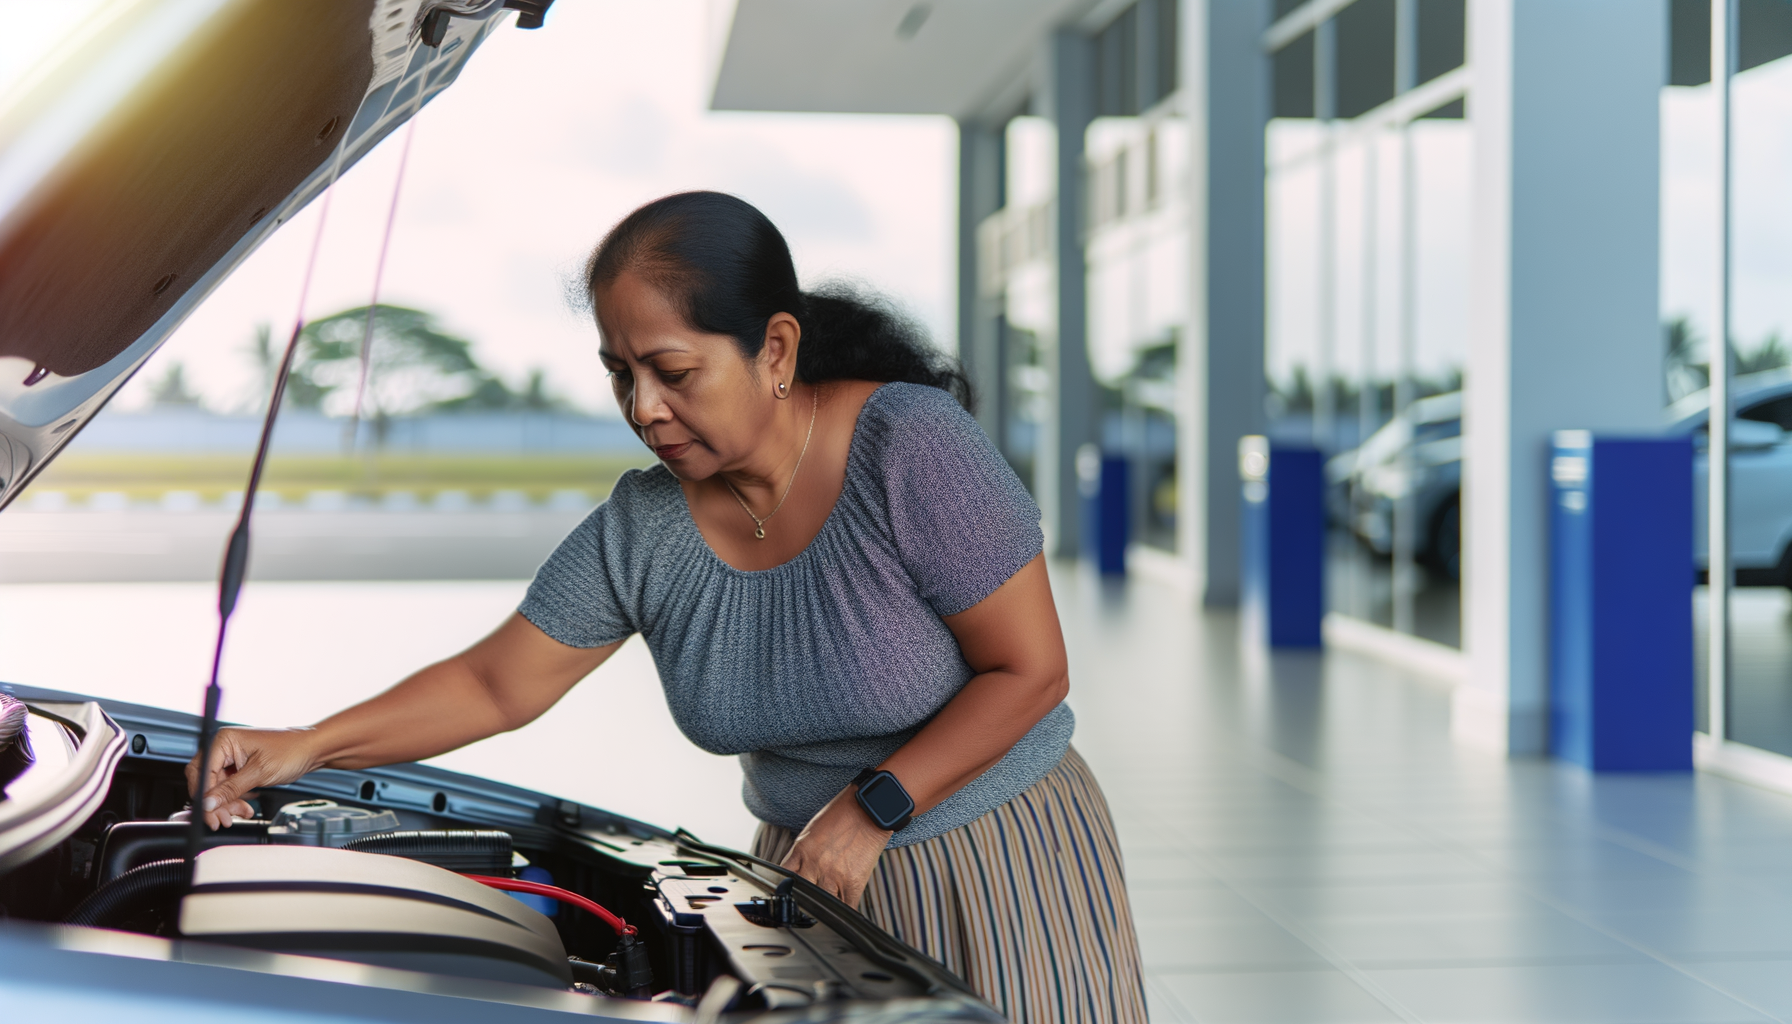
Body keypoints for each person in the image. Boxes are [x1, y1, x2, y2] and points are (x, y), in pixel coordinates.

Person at [187, 191, 1146, 1024]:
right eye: (620, 373)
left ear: (775, 347)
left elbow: (1031, 670)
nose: (643, 407)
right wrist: (305, 744)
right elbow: (494, 682)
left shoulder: (910, 445)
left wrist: (868, 812)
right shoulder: (646, 525)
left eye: (673, 372)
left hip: (994, 858)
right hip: (814, 883)